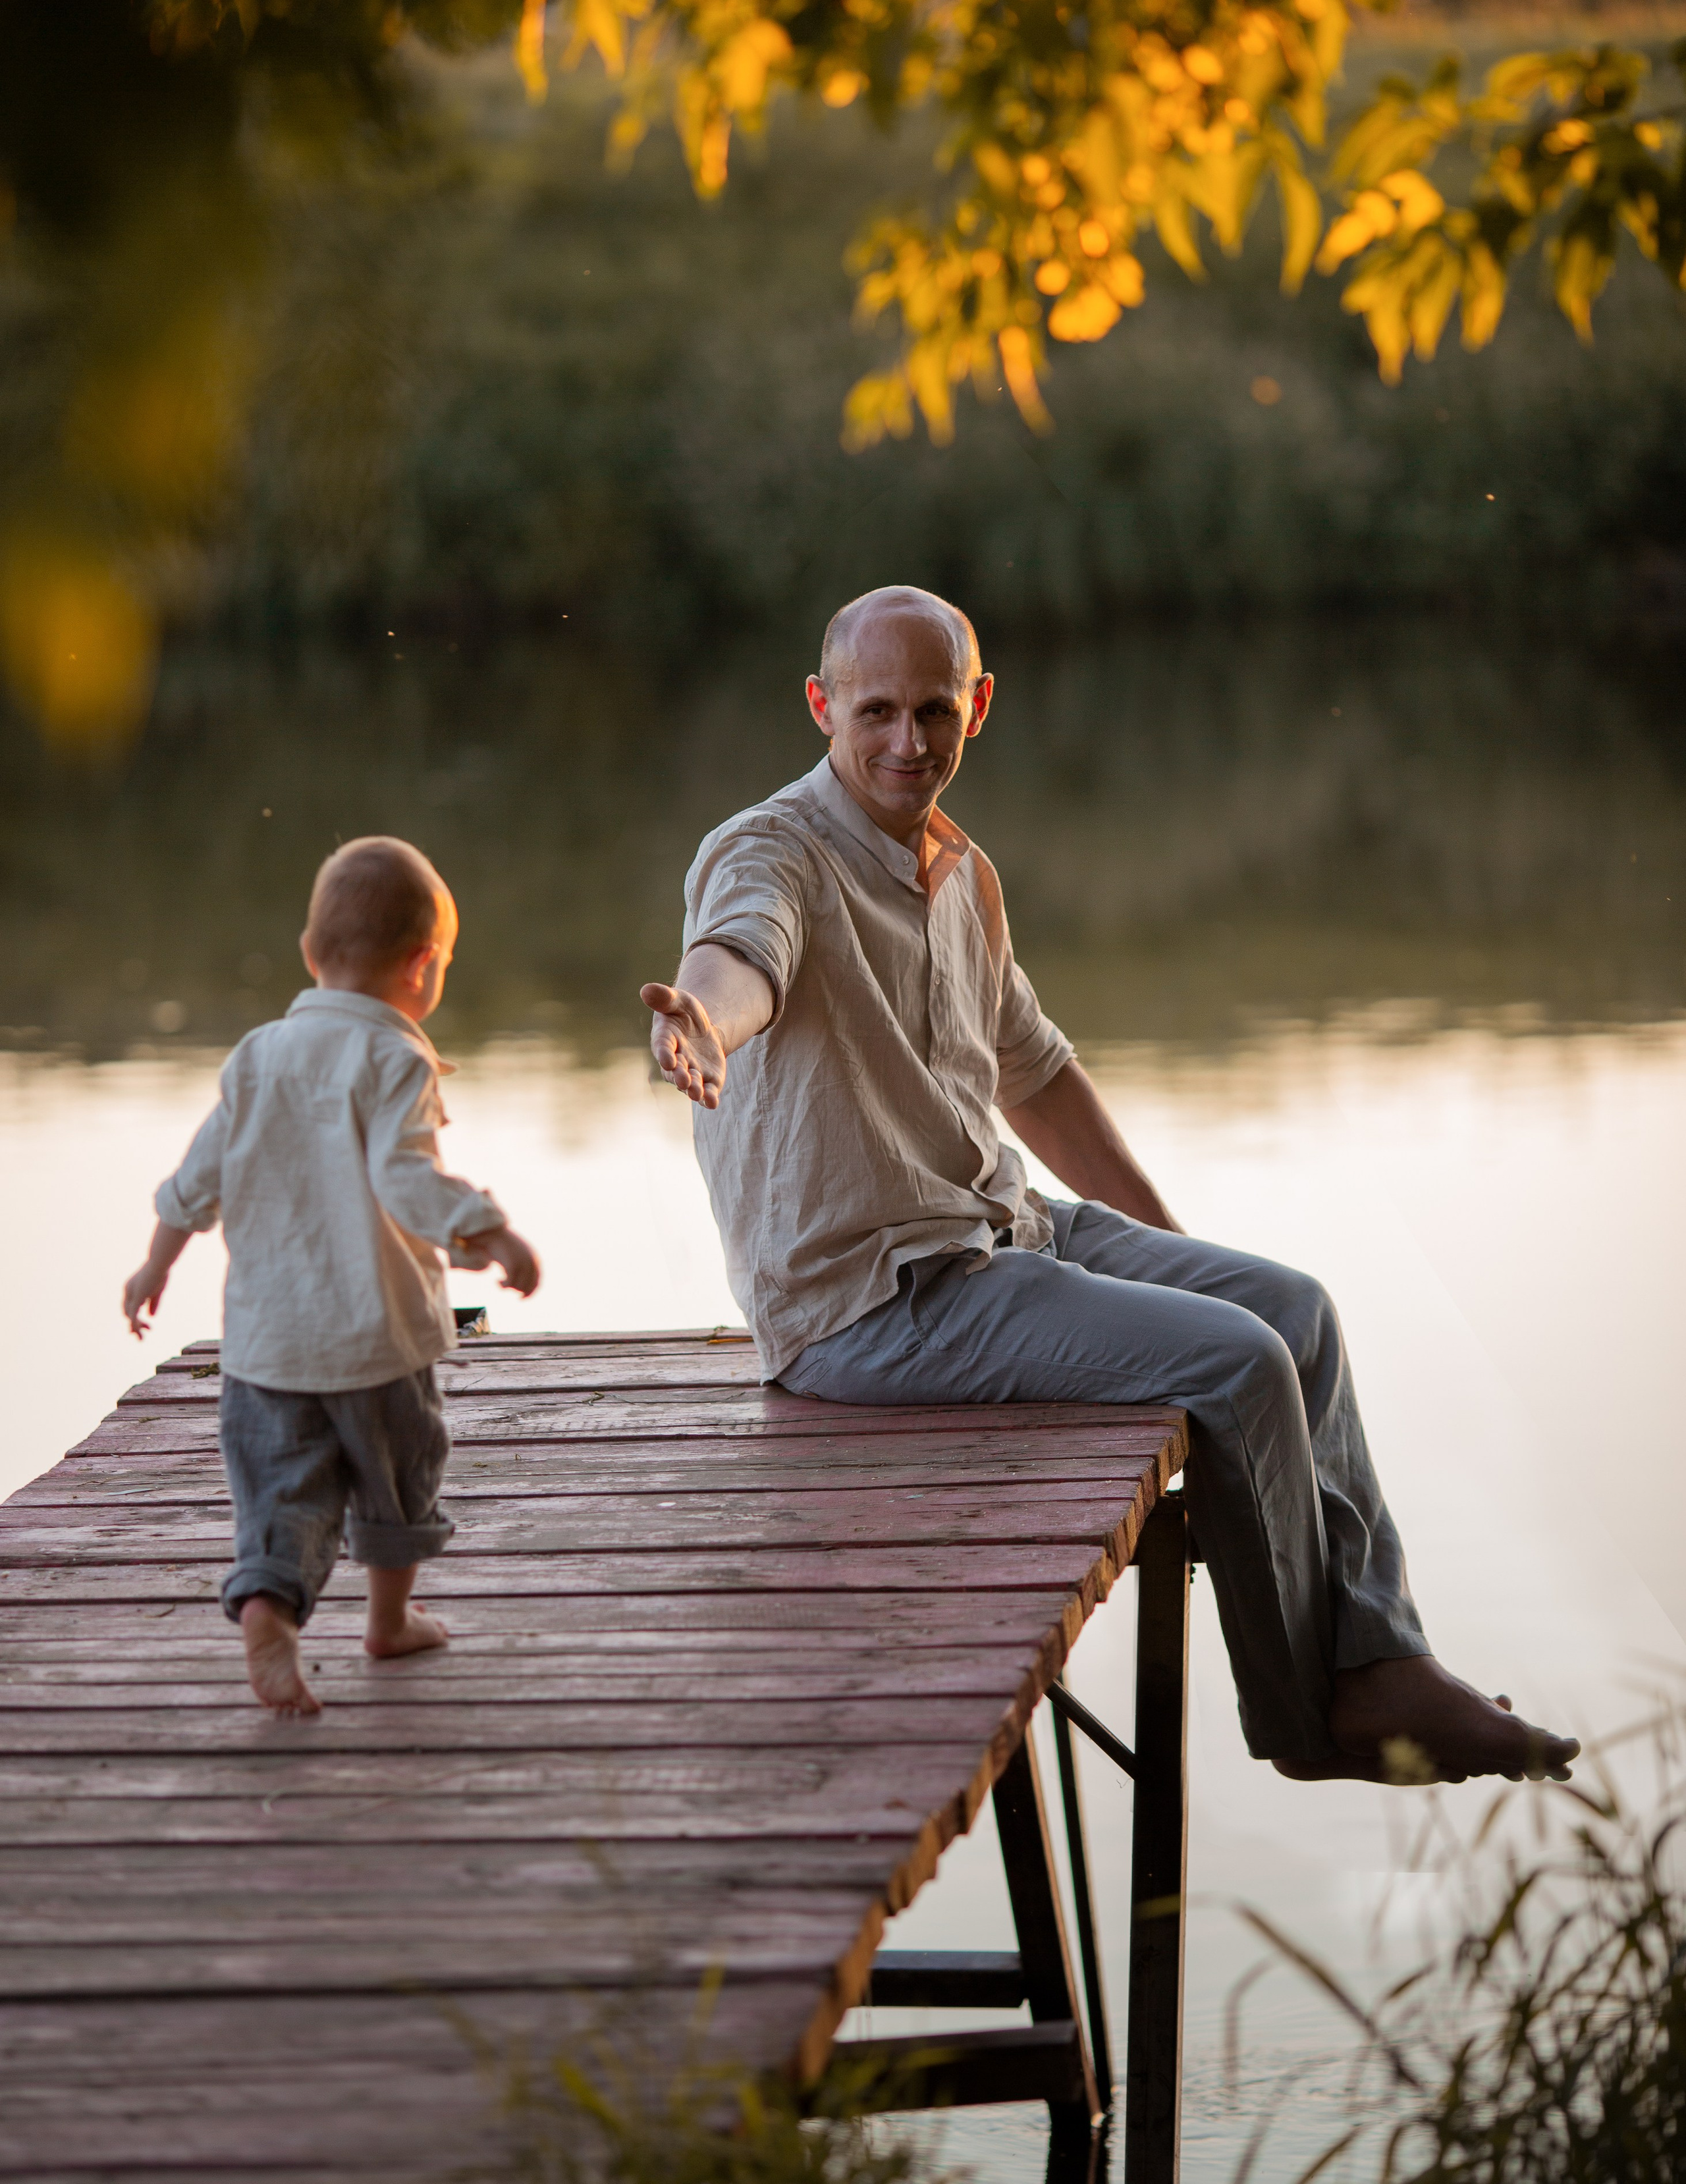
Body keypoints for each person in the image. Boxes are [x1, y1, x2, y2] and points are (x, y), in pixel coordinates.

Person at [641, 587, 1579, 1785]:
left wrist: (1176, 1261)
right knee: (1234, 1363)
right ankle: (1312, 1722)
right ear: (822, 706)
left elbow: (1038, 1076)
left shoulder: (960, 875)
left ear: (979, 708)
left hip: (1000, 1229)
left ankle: (1387, 1660)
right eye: (875, 710)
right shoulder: (769, 851)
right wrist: (702, 1026)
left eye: (936, 709)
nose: (907, 741)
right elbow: (739, 957)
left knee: (1290, 1315)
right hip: (871, 1301)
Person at [122, 836, 541, 1718]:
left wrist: (154, 1264)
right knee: (398, 1481)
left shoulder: (256, 1056)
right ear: (423, 968)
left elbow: (199, 1178)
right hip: (375, 1341)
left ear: (312, 954)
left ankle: (271, 1607)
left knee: (282, 1495)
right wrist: (491, 1234)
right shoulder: (397, 1059)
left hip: (265, 1350)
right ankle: (388, 1623)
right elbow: (406, 1180)